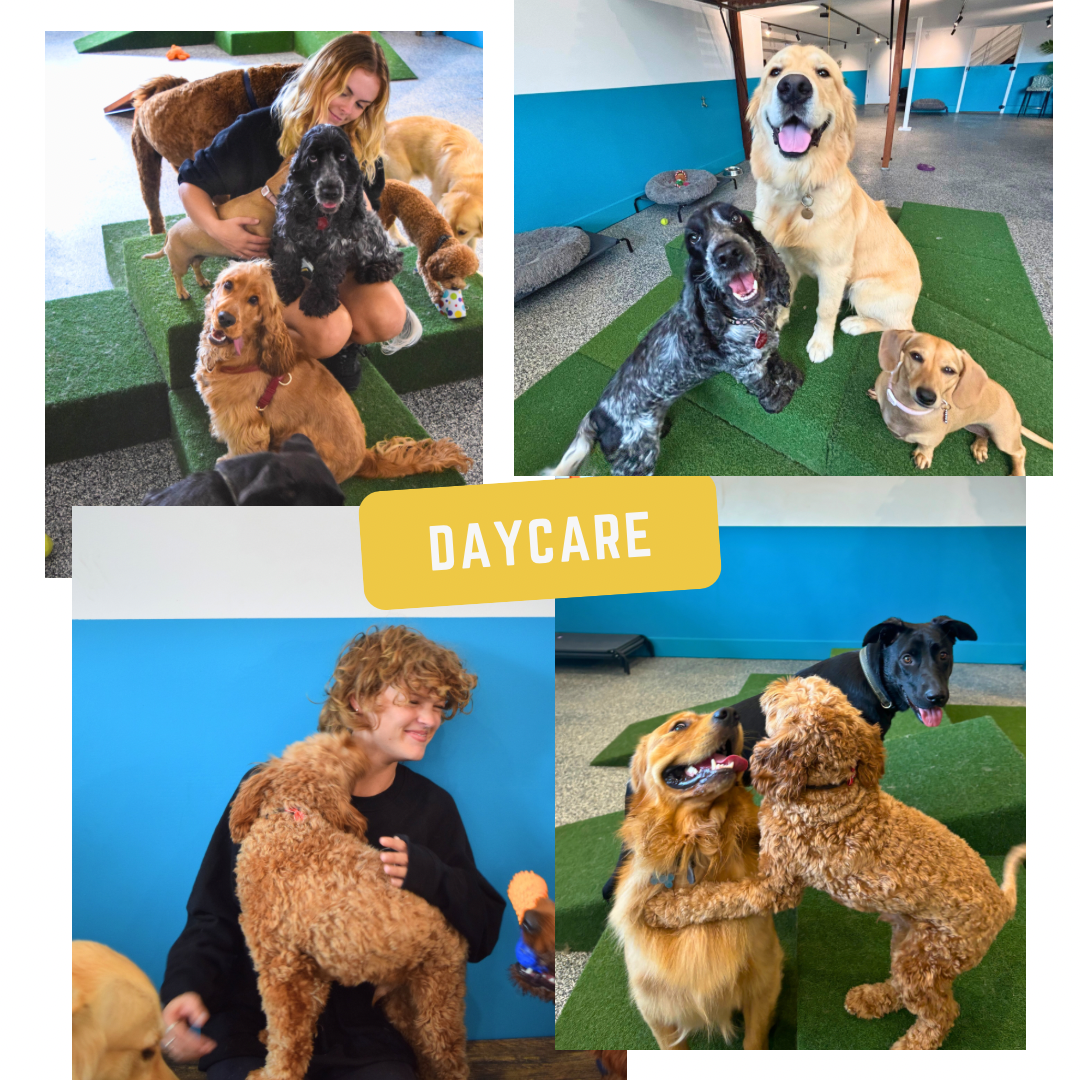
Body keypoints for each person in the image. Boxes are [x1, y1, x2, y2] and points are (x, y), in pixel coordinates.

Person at [159, 626, 506, 1080]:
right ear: (359, 699)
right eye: (413, 701)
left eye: (439, 706)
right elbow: (214, 912)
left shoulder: (431, 807)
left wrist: (429, 874)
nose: (431, 719)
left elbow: (481, 934)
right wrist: (186, 989)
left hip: (367, 1038)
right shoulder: (274, 786)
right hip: (256, 1025)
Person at [177, 34, 421, 391]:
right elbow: (190, 183)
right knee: (328, 330)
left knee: (387, 317)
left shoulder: (359, 143)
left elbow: (367, 218)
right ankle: (260, 355)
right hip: (272, 256)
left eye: (361, 104)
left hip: (329, 254)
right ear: (320, 76)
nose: (347, 109)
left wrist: (360, 208)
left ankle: (340, 346)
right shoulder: (260, 127)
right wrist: (218, 229)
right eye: (343, 92)